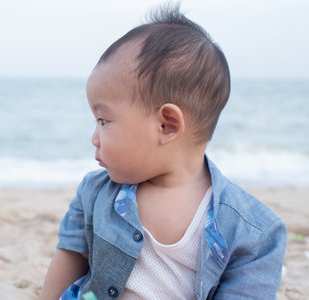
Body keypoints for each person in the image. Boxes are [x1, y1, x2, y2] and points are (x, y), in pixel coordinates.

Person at [41, 4, 286, 300]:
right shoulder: (94, 193)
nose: (94, 137)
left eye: (104, 120)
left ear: (166, 125)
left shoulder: (253, 233)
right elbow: (70, 257)